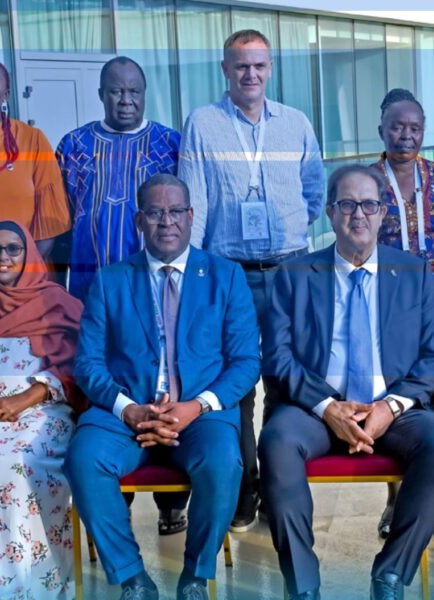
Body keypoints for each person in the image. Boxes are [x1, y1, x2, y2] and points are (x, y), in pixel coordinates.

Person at [259, 165, 434, 600]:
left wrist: (391, 406)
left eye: (369, 204)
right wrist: (326, 407)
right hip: (314, 410)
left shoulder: (415, 272)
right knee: (276, 442)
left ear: (383, 212)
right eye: (347, 204)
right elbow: (277, 357)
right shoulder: (294, 274)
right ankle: (303, 585)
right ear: (330, 213)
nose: (359, 214)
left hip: (393, 409)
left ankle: (390, 576)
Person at [64, 174, 260, 600]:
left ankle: (195, 577)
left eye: (174, 212)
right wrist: (126, 408)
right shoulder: (111, 279)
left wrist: (196, 406)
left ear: (191, 216)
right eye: (154, 212)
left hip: (199, 414)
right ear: (139, 220)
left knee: (223, 462)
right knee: (84, 458)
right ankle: (134, 578)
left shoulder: (226, 276)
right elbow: (88, 364)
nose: (166, 221)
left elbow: (246, 362)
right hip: (125, 411)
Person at [178, 29, 325, 532]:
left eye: (259, 65)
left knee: (287, 380)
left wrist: (287, 232)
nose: (251, 74)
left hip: (289, 271)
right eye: (241, 65)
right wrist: (196, 275)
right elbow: (195, 202)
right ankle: (245, 490)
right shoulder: (203, 124)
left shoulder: (296, 123)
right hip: (229, 273)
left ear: (271, 68)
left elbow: (313, 192)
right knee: (235, 385)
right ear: (225, 69)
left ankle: (281, 487)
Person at [57, 56, 185, 535]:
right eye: (116, 91)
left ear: (145, 94)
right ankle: (118, 498)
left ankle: (172, 502)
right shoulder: (73, 146)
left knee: (164, 382)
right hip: (93, 292)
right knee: (107, 389)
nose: (125, 100)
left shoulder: (171, 143)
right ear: (101, 94)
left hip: (159, 289)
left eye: (134, 91)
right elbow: (62, 224)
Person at [372, 88, 434, 539]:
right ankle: (394, 501)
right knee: (396, 400)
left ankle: (433, 502)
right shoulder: (367, 181)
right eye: (397, 127)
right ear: (381, 130)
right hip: (387, 305)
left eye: (414, 128)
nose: (406, 135)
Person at [0, 220, 83, 599]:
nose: (3, 257)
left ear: (29, 253)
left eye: (13, 248)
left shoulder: (56, 303)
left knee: (9, 466)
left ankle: (21, 588)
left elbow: (80, 368)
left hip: (41, 409)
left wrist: (25, 398)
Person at [0, 60, 71, 261]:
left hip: (26, 270)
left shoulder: (33, 140)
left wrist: (19, 271)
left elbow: (49, 221)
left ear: (6, 94)